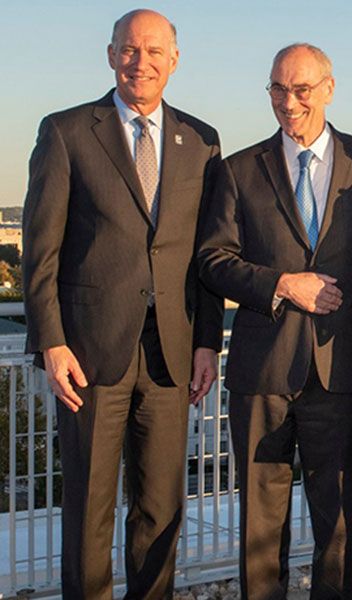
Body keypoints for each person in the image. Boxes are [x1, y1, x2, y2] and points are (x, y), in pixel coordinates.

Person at [20, 9, 223, 598]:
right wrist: (51, 341)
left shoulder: (202, 140)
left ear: (175, 60)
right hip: (87, 356)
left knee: (161, 510)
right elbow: (41, 250)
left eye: (155, 51)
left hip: (172, 357)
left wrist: (207, 340)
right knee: (89, 510)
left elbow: (206, 255)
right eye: (130, 50)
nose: (142, 62)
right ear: (111, 55)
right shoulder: (65, 131)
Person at [197, 44, 352, 599]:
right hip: (263, 372)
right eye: (278, 89)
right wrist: (283, 284)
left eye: (301, 89)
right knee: (261, 526)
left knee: (340, 525)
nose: (289, 102)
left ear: (329, 88)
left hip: (342, 369)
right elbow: (213, 260)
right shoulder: (237, 170)